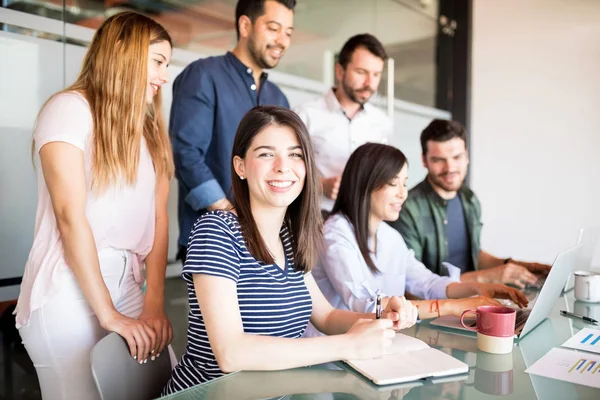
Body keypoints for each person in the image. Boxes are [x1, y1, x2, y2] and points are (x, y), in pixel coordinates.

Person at [162, 107, 419, 394]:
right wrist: (349, 345)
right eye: (266, 154)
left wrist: (381, 318)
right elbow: (231, 353)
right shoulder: (217, 231)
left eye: (295, 154)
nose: (283, 166)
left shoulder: (289, 237)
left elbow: (327, 317)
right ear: (240, 166)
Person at [15, 12, 174, 399]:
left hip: (128, 281)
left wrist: (153, 304)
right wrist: (108, 315)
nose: (164, 76)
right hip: (68, 285)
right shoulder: (69, 109)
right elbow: (70, 218)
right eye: (157, 61)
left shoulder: (149, 132)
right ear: (123, 52)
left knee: (160, 389)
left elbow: (158, 217)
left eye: (166, 65)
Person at [307, 143, 527, 333]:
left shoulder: (390, 236)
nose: (403, 193)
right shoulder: (335, 235)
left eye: (404, 183)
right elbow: (367, 305)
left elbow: (427, 283)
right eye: (393, 184)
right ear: (364, 185)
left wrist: (479, 289)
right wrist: (453, 307)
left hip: (378, 346)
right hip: (335, 358)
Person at [171, 0, 295, 262]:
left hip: (268, 243)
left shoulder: (278, 98)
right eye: (274, 28)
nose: (282, 41)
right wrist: (229, 212)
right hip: (213, 242)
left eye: (288, 33)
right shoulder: (204, 75)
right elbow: (185, 152)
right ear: (245, 25)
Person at [390, 119, 552, 288]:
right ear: (424, 161)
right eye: (439, 160)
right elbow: (412, 286)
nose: (450, 168)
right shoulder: (407, 209)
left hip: (474, 298)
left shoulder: (469, 199)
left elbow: (473, 255)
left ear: (467, 156)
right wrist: (487, 278)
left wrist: (514, 266)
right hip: (439, 309)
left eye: (457, 157)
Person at [294, 34, 392, 216]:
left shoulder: (382, 122)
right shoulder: (305, 115)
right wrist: (321, 185)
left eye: (376, 74)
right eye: (361, 72)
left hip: (365, 219)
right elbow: (288, 169)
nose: (370, 83)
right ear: (340, 71)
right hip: (316, 220)